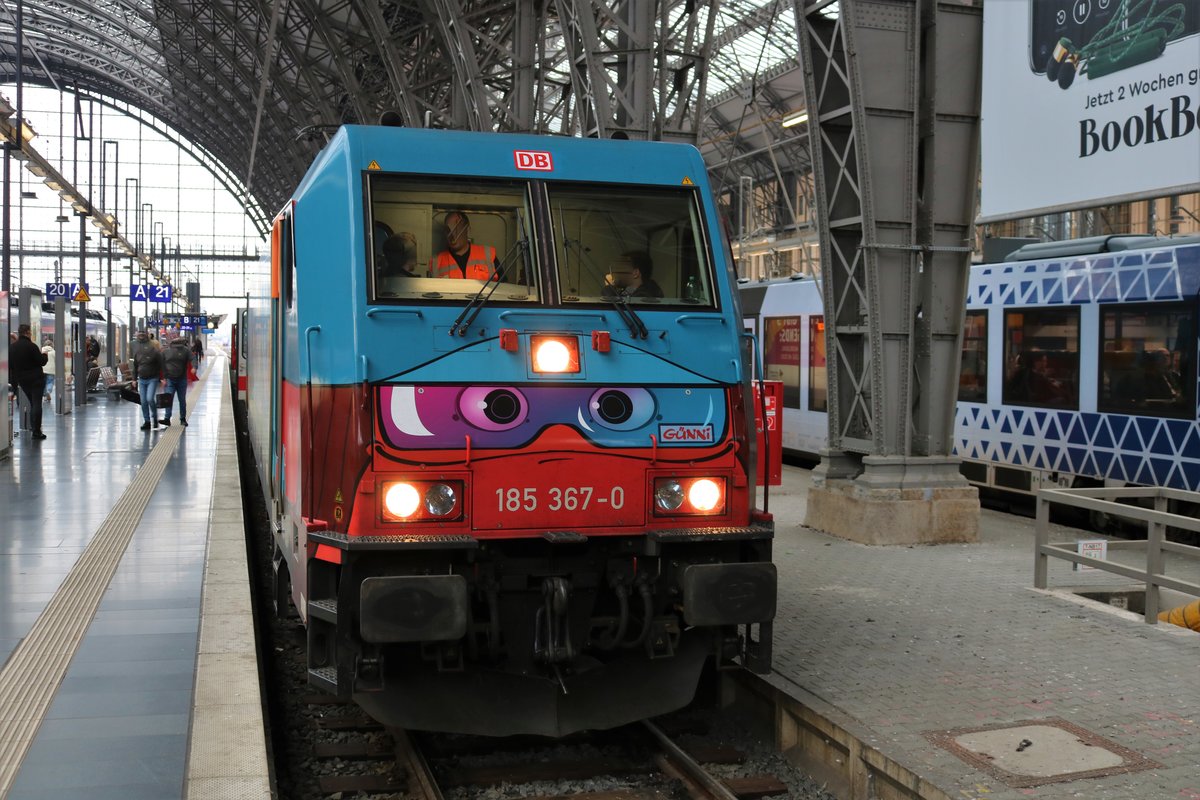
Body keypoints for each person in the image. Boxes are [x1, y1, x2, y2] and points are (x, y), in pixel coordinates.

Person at [429, 211, 498, 279]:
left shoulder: (487, 255)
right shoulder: (436, 262)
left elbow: (504, 286)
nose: (453, 235)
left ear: (467, 230)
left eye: (457, 229)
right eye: (448, 230)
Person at [9, 324, 48, 440]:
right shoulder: (31, 346)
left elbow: (11, 365)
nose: (31, 333)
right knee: (36, 404)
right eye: (30, 332)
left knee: (32, 403)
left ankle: (34, 428)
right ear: (26, 332)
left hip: (22, 380)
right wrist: (45, 355)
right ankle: (36, 432)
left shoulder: (12, 348)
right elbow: (41, 361)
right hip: (36, 379)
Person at [132, 330, 165, 430]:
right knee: (143, 401)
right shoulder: (137, 353)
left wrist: (163, 378)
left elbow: (161, 365)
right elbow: (135, 366)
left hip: (153, 378)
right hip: (142, 379)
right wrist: (134, 379)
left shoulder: (155, 352)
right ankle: (147, 421)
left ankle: (154, 418)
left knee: (150, 398)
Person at [160, 337, 191, 427]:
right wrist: (163, 378)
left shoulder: (185, 351)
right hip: (172, 379)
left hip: (178, 379)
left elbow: (192, 358)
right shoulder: (166, 352)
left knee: (170, 399)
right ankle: (178, 419)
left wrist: (195, 366)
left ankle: (175, 418)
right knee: (179, 400)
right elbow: (161, 364)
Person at [41, 337, 56, 402]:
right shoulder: (54, 351)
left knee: (43, 383)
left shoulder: (41, 350)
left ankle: (44, 396)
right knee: (50, 382)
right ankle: (48, 392)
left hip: (42, 370)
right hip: (51, 370)